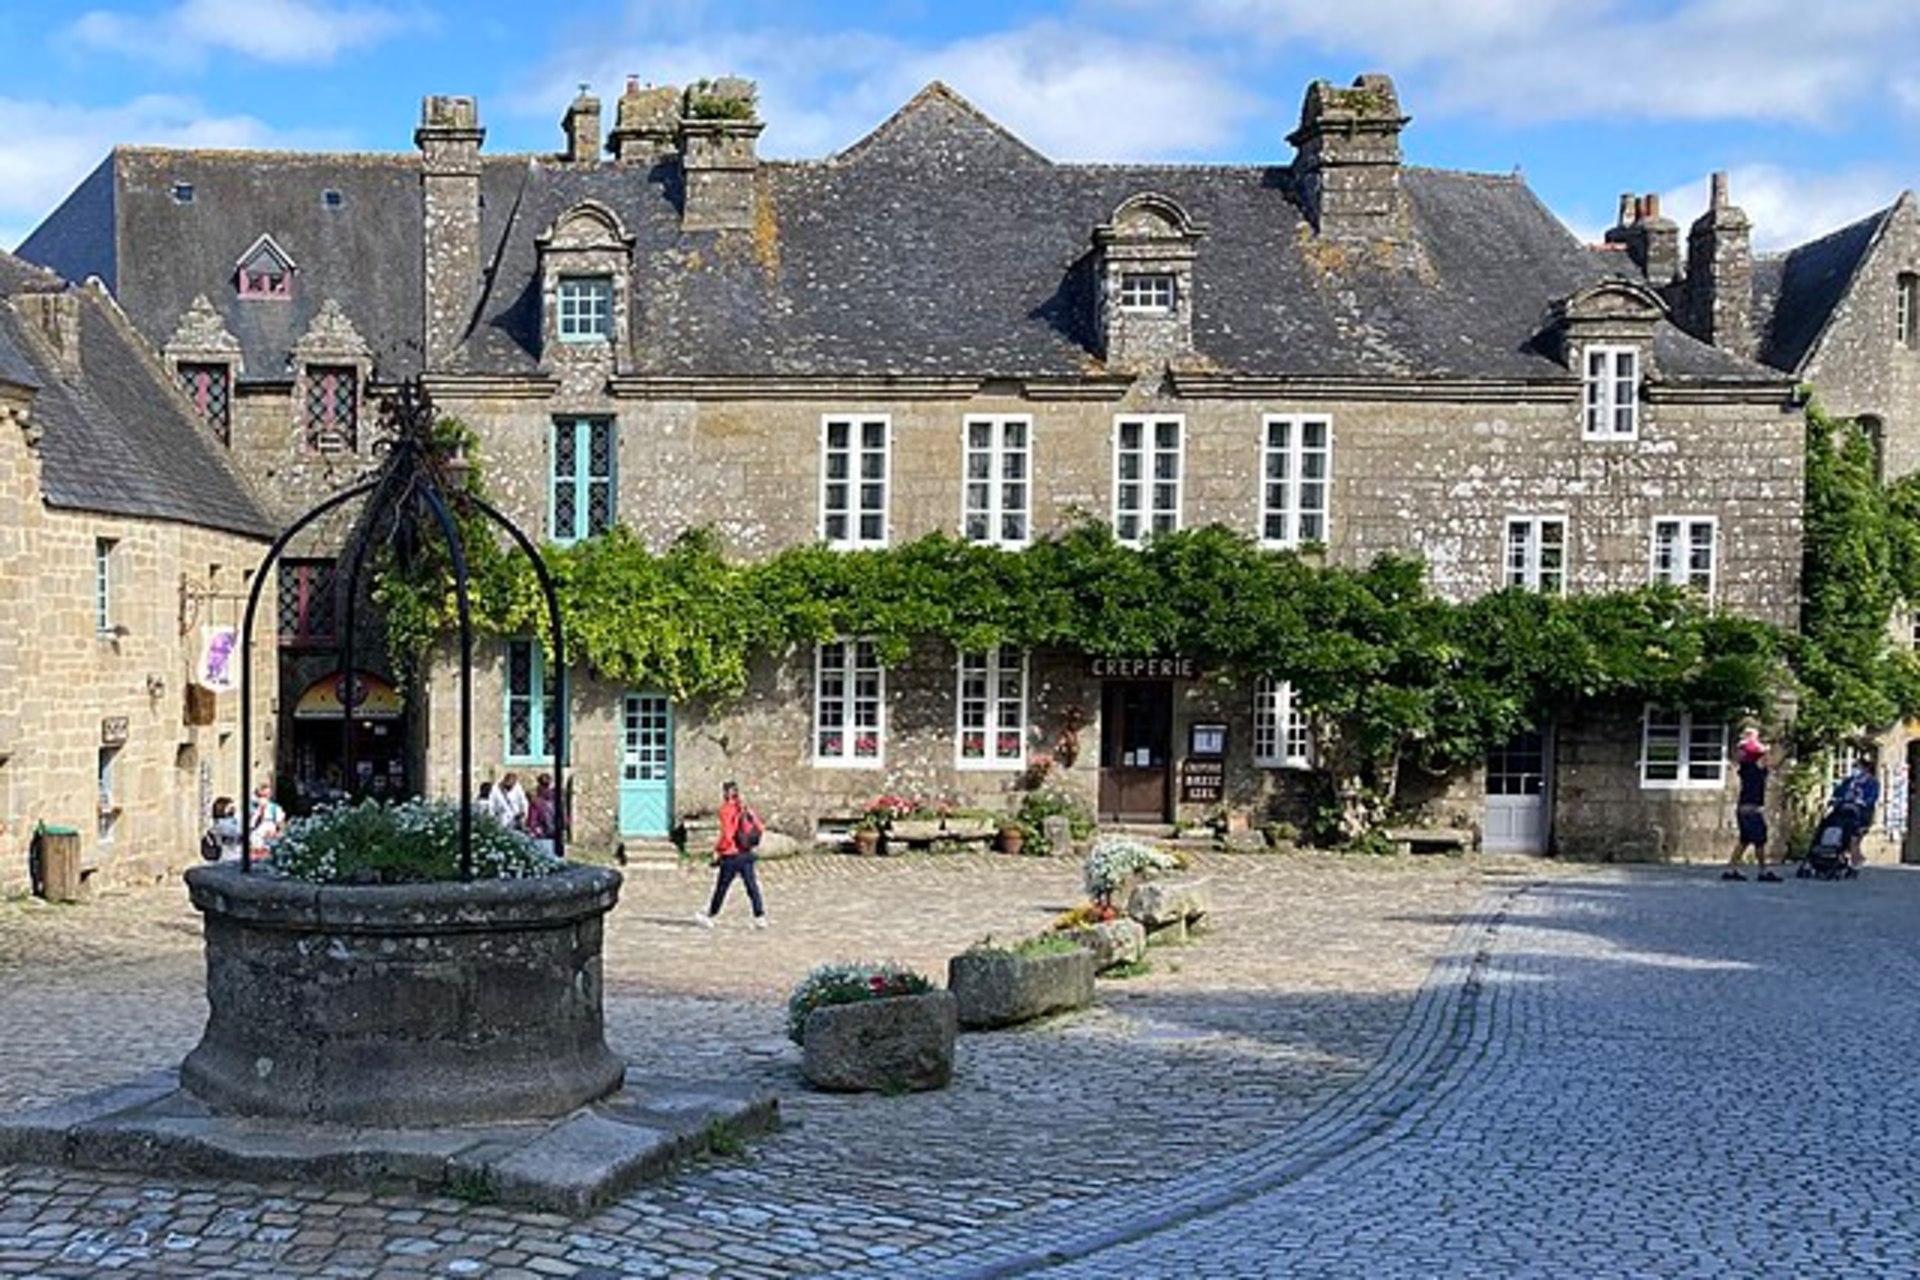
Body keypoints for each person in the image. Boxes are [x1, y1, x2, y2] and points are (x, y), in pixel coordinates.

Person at [695, 780, 766, 929]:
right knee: (752, 886)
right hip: (746, 853)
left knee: (721, 888)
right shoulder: (744, 808)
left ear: (724, 793)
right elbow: (759, 827)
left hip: (731, 856)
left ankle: (709, 916)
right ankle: (760, 917)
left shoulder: (726, 810)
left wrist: (718, 850)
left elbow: (727, 835)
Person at [1721, 735, 1775, 881]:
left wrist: (1758, 748)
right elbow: (1750, 756)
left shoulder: (1752, 770)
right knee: (1759, 841)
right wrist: (1755, 745)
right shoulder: (1749, 768)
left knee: (1744, 840)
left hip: (1745, 809)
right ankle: (1763, 871)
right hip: (1752, 810)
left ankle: (1731, 868)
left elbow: (1766, 763)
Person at [1833, 755, 1880, 869]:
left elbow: (1872, 798)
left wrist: (1862, 801)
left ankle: (1856, 857)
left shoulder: (1872, 782)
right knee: (1835, 824)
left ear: (1865, 768)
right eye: (1854, 766)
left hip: (1861, 813)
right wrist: (1837, 798)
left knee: (1853, 831)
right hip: (1844, 809)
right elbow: (1838, 792)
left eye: (1857, 766)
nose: (1855, 769)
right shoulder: (1849, 780)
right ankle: (1847, 855)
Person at [248, 783, 285, 856]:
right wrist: (261, 810)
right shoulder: (252, 808)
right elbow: (252, 825)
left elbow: (281, 824)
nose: (264, 798)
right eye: (261, 795)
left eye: (267, 795)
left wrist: (278, 834)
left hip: (269, 840)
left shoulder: (275, 808)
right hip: (255, 841)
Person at [527, 773, 558, 857]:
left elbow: (532, 820)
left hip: (545, 832)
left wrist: (533, 829)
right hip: (550, 831)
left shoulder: (537, 801)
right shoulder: (556, 797)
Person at [208, 796, 243, 862]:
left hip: (237, 856)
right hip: (229, 858)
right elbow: (238, 831)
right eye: (230, 807)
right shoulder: (220, 823)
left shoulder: (233, 820)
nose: (233, 809)